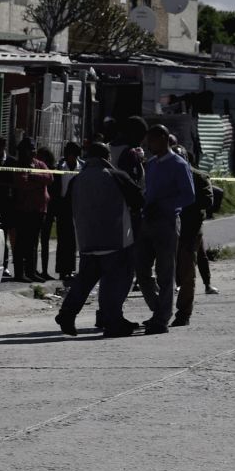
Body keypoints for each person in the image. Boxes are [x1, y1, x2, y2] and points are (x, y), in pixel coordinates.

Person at [57, 142, 144, 338]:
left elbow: (64, 208)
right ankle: (113, 321)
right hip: (116, 240)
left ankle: (67, 313)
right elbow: (138, 201)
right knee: (117, 282)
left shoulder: (77, 180)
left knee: (84, 281)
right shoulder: (116, 176)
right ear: (107, 157)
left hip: (87, 241)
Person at [136, 125, 194, 334]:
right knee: (141, 269)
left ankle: (162, 318)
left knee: (165, 271)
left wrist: (165, 205)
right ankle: (157, 308)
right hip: (147, 221)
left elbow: (188, 195)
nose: (148, 145)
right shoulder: (151, 164)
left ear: (163, 138)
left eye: (151, 140)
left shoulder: (178, 164)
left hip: (167, 222)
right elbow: (147, 190)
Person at [173, 150, 216, 326]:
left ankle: (184, 313)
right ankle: (162, 311)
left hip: (191, 229)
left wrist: (186, 203)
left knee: (188, 269)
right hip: (169, 227)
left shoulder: (199, 177)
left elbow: (207, 200)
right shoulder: (168, 175)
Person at [6, 139, 52, 283]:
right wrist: (38, 182)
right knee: (21, 243)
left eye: (33, 149)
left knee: (33, 243)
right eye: (29, 149)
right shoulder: (19, 166)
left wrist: (33, 176)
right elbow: (23, 184)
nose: (33, 152)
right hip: (24, 210)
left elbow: (49, 177)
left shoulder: (39, 164)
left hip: (39, 210)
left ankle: (31, 272)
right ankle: (20, 273)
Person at [54, 140, 83, 279]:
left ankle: (70, 269)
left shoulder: (82, 167)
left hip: (77, 205)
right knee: (63, 239)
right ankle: (61, 269)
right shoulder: (60, 166)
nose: (70, 157)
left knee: (73, 240)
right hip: (63, 204)